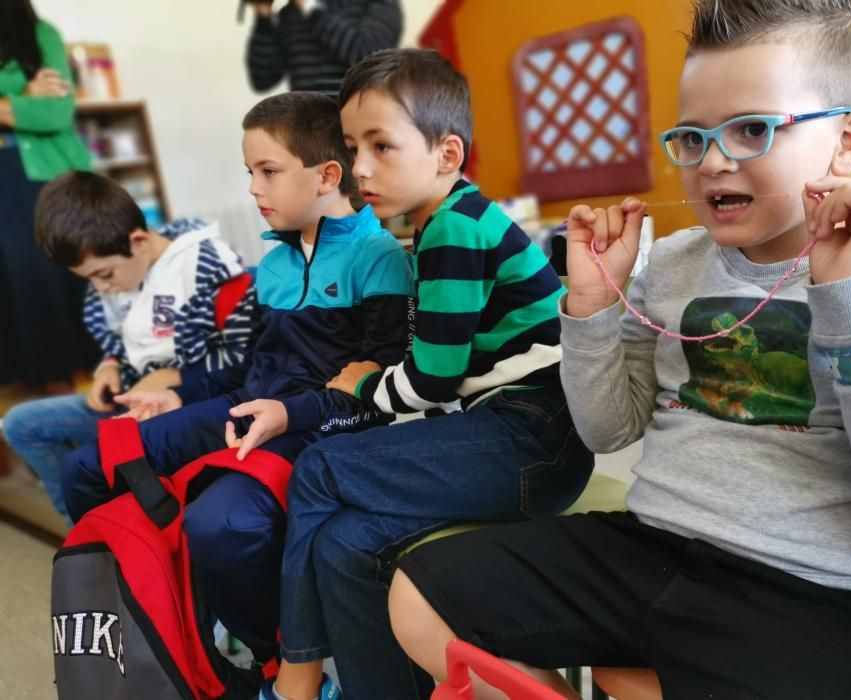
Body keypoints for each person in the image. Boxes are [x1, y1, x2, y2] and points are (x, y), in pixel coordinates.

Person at [388, 1, 851, 698]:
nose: (710, 163)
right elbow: (608, 427)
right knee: (420, 594)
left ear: (846, 141)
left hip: (820, 594)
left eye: (750, 129)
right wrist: (588, 309)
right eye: (690, 137)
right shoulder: (673, 262)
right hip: (649, 548)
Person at [258, 49, 595, 700]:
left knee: (321, 467)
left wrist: (361, 384)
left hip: (532, 440)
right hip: (513, 439)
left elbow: (431, 381)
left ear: (446, 155)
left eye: (381, 147)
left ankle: (295, 675)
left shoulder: (453, 230)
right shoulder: (443, 224)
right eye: (354, 147)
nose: (359, 168)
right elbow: (442, 380)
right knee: (344, 545)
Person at [60, 91, 414, 667]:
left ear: (327, 175)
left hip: (318, 429)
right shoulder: (271, 264)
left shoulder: (379, 260)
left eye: (268, 171)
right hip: (247, 406)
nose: (253, 188)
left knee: (222, 522)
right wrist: (175, 394)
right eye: (250, 172)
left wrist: (290, 414)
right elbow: (242, 368)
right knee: (88, 466)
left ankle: (280, 655)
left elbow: (377, 401)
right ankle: (163, 622)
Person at [2, 172, 255, 520]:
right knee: (20, 424)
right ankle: (88, 530)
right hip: (131, 399)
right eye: (89, 278)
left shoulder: (207, 267)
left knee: (87, 463)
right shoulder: (120, 268)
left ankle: (111, 524)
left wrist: (176, 378)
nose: (101, 288)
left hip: (189, 405)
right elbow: (127, 333)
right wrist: (109, 365)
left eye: (104, 275)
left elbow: (242, 359)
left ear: (137, 241)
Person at [0, 0, 98, 388]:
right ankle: (38, 401)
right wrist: (23, 95)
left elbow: (54, 114)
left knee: (55, 282)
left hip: (42, 177)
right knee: (15, 293)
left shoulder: (41, 36)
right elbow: (34, 111)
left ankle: (87, 397)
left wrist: (20, 104)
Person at [246, 0, 401, 96]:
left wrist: (310, 7)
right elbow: (262, 79)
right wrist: (263, 16)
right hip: (306, 131)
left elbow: (370, 57)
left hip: (357, 130)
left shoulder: (378, 3)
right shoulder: (290, 13)